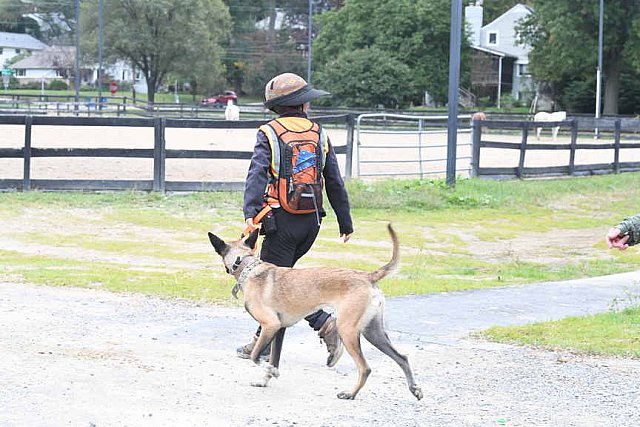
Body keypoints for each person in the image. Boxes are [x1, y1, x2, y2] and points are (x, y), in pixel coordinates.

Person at [238, 72, 354, 367]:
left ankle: (325, 324)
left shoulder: (269, 133)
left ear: (276, 107)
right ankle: (261, 345)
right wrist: (345, 222)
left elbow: (256, 173)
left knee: (272, 286)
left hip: (282, 221)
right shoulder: (319, 133)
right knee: (280, 282)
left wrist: (251, 213)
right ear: (302, 105)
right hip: (311, 222)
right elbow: (334, 181)